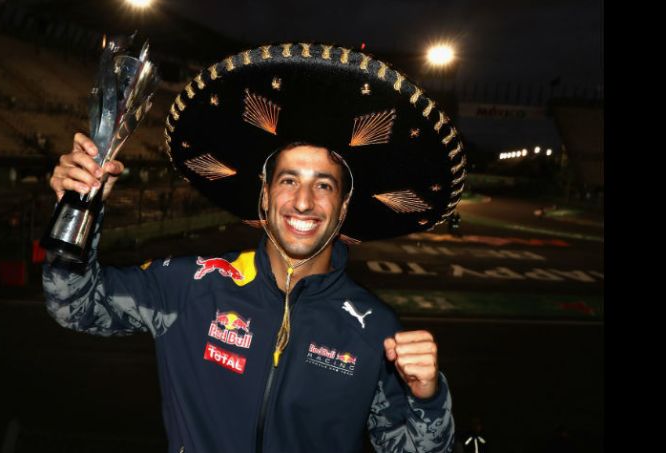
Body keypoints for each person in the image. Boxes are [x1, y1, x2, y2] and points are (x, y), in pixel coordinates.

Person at [43, 43, 467, 453]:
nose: (303, 202)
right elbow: (73, 305)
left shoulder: (375, 328)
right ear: (264, 195)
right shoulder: (190, 286)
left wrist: (427, 397)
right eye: (288, 180)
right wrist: (78, 204)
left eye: (324, 185)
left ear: (343, 207)